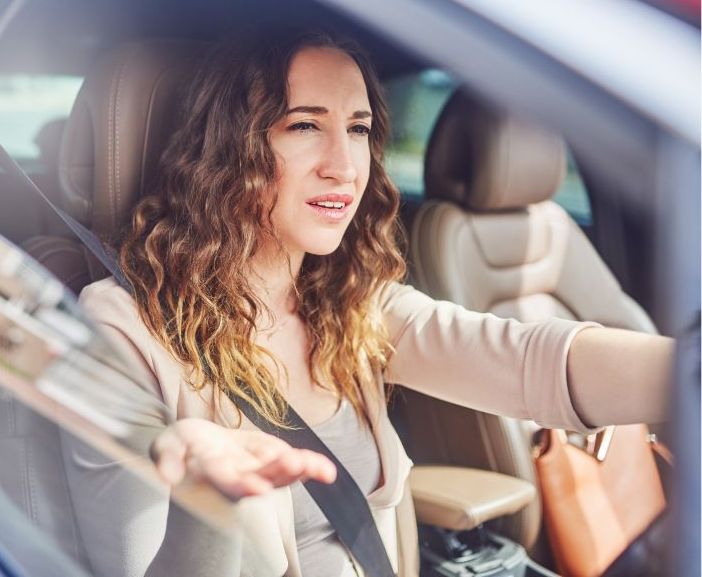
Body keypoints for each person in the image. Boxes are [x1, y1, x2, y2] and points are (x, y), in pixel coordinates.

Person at [76, 31, 673, 576]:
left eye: (358, 129)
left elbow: (527, 361)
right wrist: (209, 504)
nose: (344, 166)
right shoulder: (122, 332)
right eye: (304, 125)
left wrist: (686, 373)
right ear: (226, 150)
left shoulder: (349, 303)